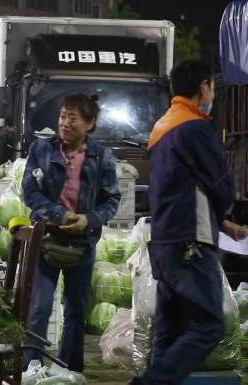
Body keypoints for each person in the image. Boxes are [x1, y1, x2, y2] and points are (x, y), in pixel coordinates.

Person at [131, 60, 247, 385]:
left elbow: (182, 187)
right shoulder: (195, 127)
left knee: (170, 327)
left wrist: (220, 222)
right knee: (211, 325)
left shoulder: (161, 128)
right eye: (211, 86)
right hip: (190, 243)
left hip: (165, 242)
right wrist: (225, 210)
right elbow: (222, 183)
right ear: (204, 87)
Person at [21, 93, 121, 372]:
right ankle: (31, 369)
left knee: (76, 311)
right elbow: (30, 191)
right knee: (39, 309)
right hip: (46, 238)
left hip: (83, 242)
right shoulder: (41, 150)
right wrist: (59, 214)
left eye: (72, 118)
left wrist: (87, 220)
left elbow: (112, 201)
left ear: (89, 124)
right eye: (62, 116)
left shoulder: (102, 157)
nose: (64, 123)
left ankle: (70, 370)